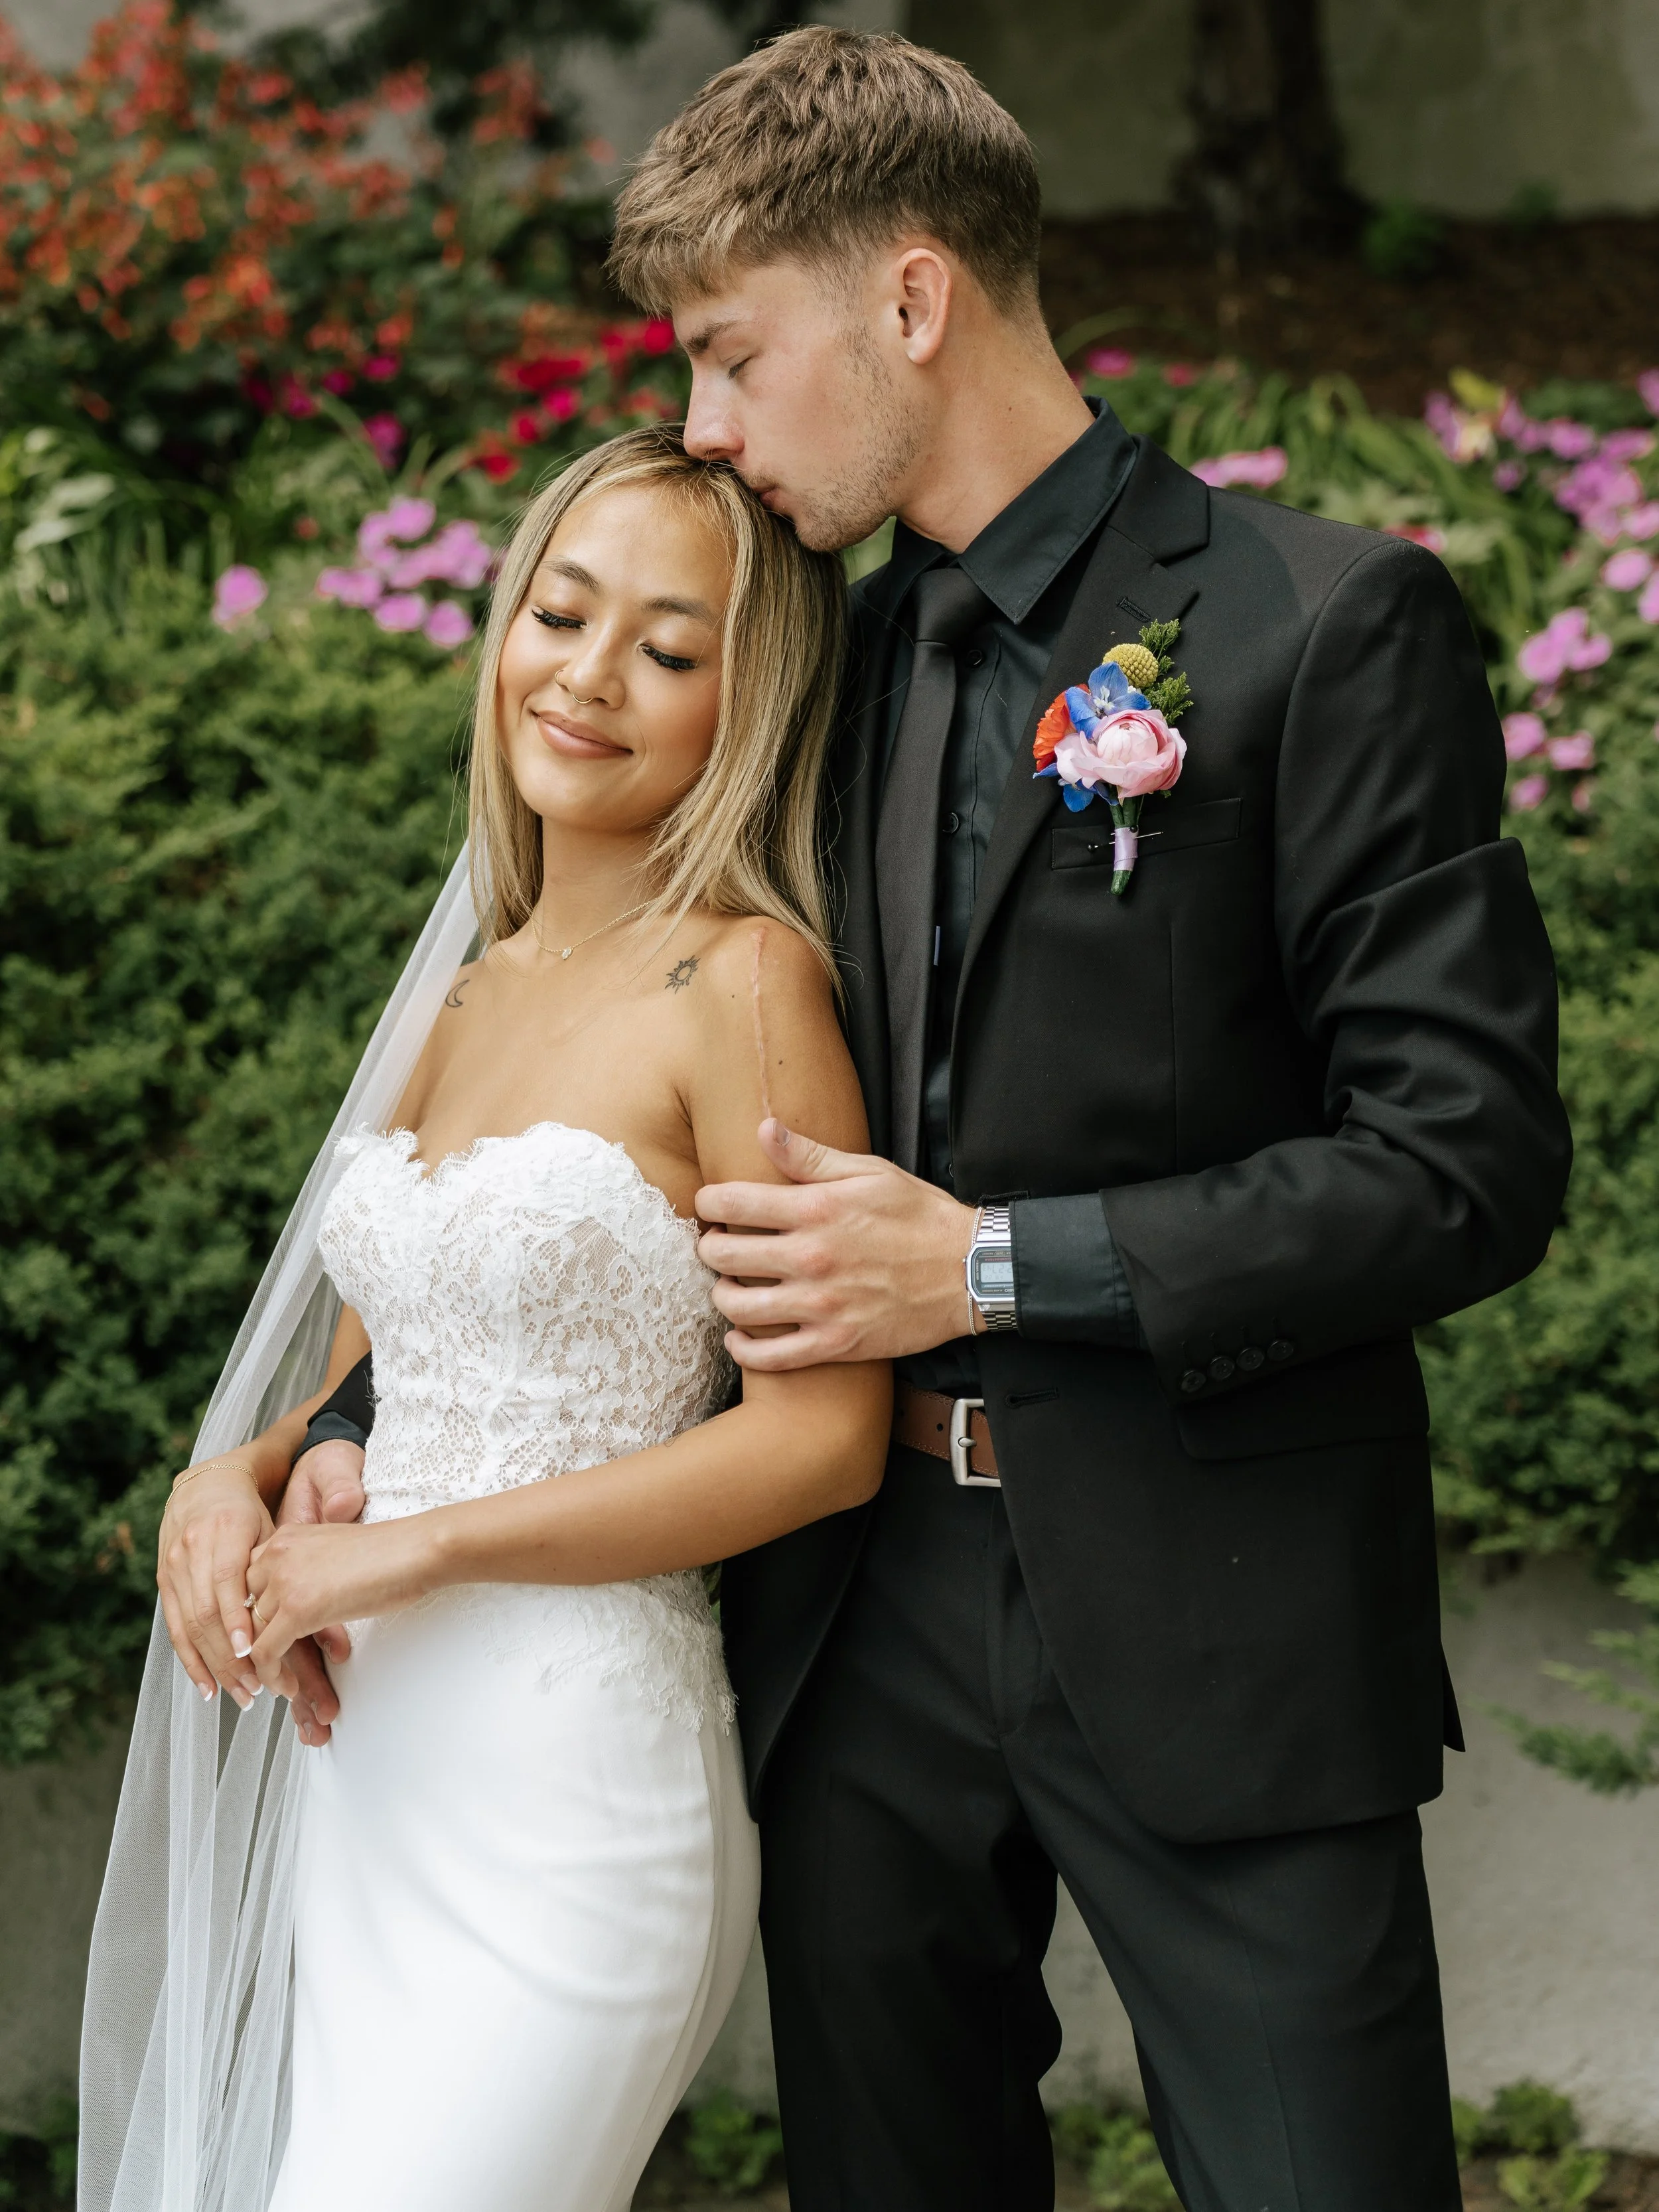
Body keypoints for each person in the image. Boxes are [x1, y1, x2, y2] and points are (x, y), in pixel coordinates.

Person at [301, 30, 1571, 2212]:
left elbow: (1460, 1160)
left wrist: (989, 1262)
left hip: (1221, 1608)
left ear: (909, 301)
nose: (700, 424)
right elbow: (603, 1111)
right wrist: (327, 1428)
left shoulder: (1313, 626)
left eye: (728, 353)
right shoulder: (804, 667)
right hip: (851, 1622)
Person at [80, 427, 889, 2212]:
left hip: (569, 1795)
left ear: (740, 709)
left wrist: (412, 1556)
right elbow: (394, 1358)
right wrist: (242, 1471)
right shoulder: (467, 991)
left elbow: (820, 1437)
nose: (590, 677)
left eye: (667, 649)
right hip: (372, 1771)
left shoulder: (745, 982)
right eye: (561, 610)